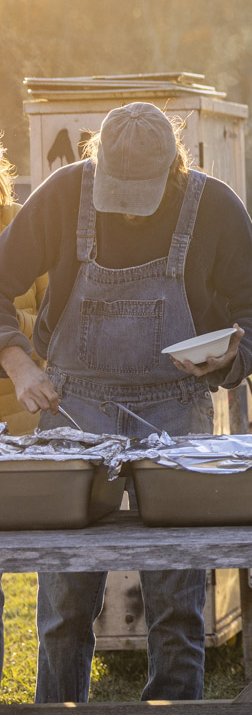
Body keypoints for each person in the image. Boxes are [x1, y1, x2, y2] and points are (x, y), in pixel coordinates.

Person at [0, 102, 252, 703]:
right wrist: (19, 361)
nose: (126, 205)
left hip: (177, 412)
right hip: (75, 410)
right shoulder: (61, 195)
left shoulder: (213, 207)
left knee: (177, 604)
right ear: (95, 163)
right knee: (65, 605)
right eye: (115, 189)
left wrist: (227, 359)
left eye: (141, 192)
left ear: (174, 170)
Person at [0, 133, 49, 679]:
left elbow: (57, 321)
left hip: (27, 421)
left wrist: (12, 338)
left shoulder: (23, 225)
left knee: (57, 572)